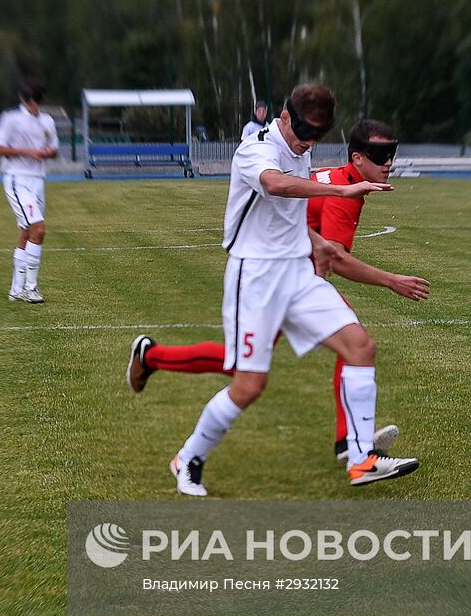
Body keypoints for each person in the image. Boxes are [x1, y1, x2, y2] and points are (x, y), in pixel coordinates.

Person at [164, 84, 419, 496]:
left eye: (316, 136)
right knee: (249, 386)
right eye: (302, 131)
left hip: (297, 273)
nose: (307, 142)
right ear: (283, 116)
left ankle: (361, 461)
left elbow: (289, 216)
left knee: (360, 347)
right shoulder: (255, 149)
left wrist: (319, 246)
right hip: (256, 278)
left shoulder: (303, 149)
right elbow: (277, 186)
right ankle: (188, 457)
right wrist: (340, 190)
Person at [0, 77, 59, 303]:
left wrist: (47, 153)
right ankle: (31, 287)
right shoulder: (11, 119)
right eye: (31, 100)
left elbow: (54, 150)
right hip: (17, 179)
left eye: (37, 100)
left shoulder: (47, 121)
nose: (34, 105)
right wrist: (28, 152)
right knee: (38, 229)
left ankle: (16, 289)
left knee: (26, 232)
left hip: (38, 179)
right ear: (23, 99)